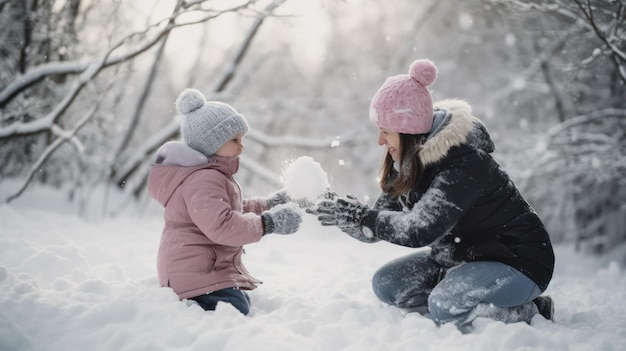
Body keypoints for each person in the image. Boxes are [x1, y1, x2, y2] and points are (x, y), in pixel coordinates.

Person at [316, 59, 555, 331]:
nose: (380, 141)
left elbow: (420, 229)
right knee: (387, 284)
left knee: (445, 306)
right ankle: (460, 293)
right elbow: (383, 221)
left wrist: (365, 218)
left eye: (385, 132)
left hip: (517, 261)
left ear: (407, 131)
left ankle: (533, 309)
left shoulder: (464, 163)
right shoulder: (405, 161)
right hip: (461, 257)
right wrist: (344, 215)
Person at [148, 88, 302, 315]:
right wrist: (268, 223)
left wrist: (270, 203)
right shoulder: (202, 179)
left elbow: (233, 209)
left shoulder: (211, 175)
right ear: (211, 143)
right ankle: (188, 308)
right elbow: (222, 225)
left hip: (201, 269)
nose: (242, 146)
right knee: (236, 306)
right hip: (191, 273)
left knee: (240, 301)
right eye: (234, 140)